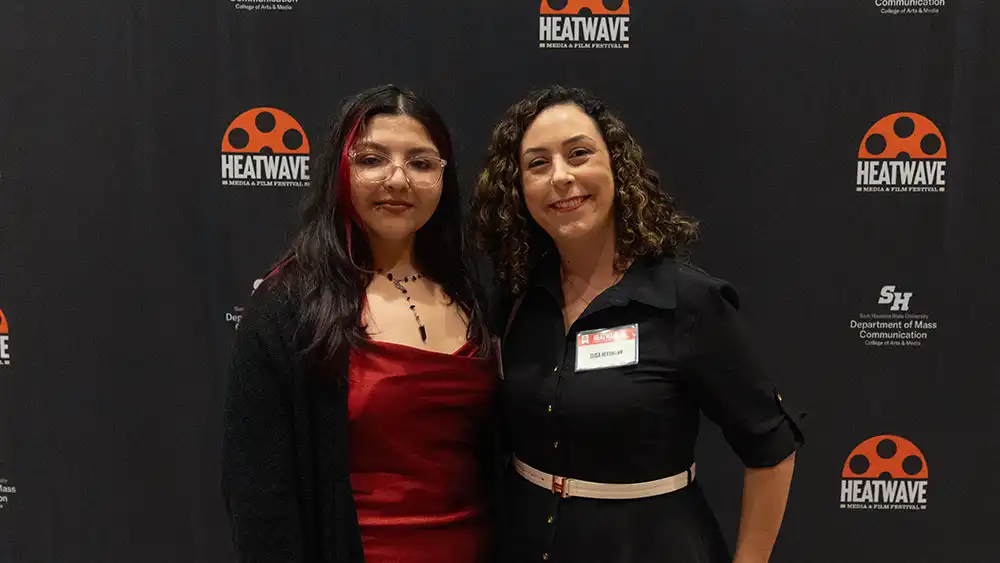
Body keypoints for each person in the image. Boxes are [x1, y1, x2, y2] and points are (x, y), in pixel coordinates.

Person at [471, 85, 804, 563]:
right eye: (537, 164)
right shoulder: (520, 299)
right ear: (519, 189)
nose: (561, 177)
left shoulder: (687, 301)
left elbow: (771, 447)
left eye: (579, 154)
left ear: (616, 168)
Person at [222, 85, 498, 563]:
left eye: (420, 162)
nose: (397, 179)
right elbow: (259, 497)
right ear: (340, 170)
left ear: (443, 178)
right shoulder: (288, 306)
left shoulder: (472, 297)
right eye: (372, 160)